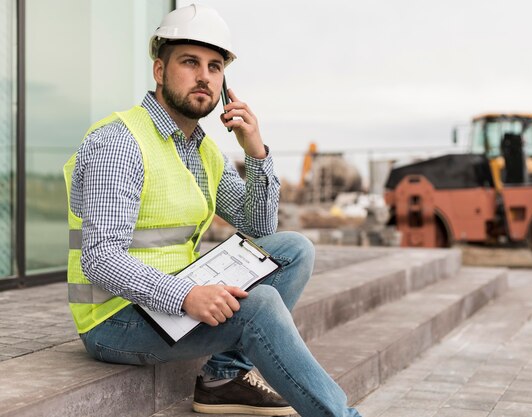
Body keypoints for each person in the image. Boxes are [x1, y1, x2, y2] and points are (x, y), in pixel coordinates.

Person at [63, 4, 361, 417]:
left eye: (215, 66)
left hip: (169, 302)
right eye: (190, 62)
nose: (204, 76)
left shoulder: (203, 150)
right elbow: (100, 259)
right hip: (115, 317)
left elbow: (257, 227)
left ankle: (222, 378)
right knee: (260, 306)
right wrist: (185, 295)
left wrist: (255, 152)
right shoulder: (120, 143)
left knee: (294, 248)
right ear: (159, 71)